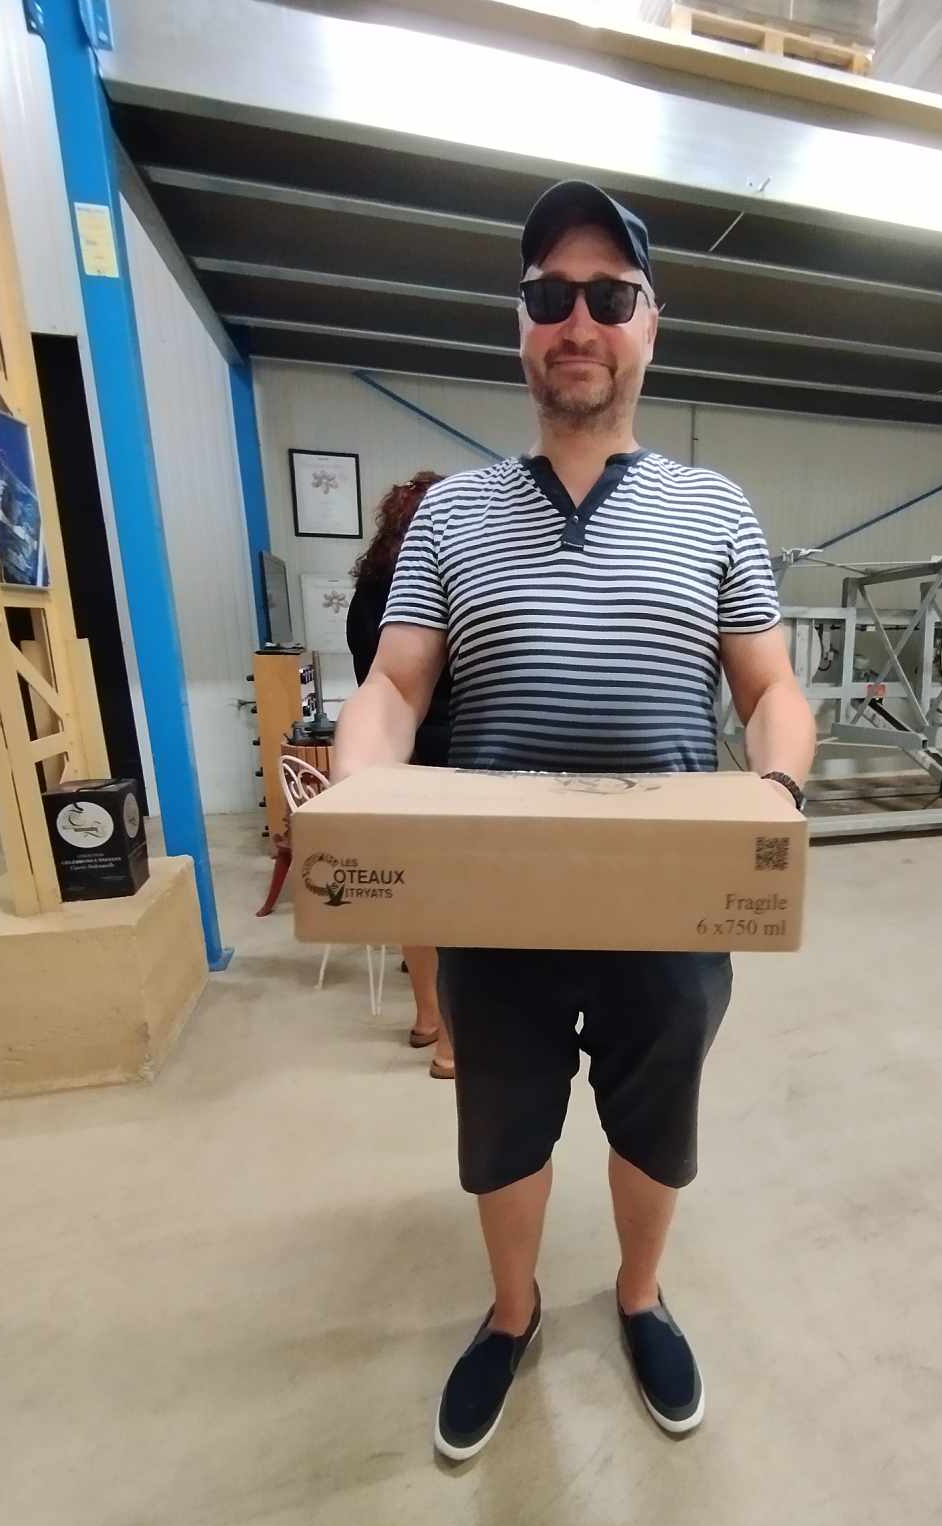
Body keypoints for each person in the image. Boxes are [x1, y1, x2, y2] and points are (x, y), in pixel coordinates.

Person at [334, 180, 816, 1460]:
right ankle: (512, 1315)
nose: (579, 321)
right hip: (496, 904)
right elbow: (395, 684)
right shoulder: (453, 514)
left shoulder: (716, 510)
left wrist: (774, 793)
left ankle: (640, 1299)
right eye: (551, 296)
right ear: (522, 326)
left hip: (671, 904)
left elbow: (770, 690)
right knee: (502, 1134)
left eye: (611, 295)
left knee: (658, 1124)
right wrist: (360, 785)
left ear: (651, 324)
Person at [345, 472, 454, 1079]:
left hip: (395, 752)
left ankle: (427, 1018)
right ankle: (452, 1047)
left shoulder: (369, 590)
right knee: (462, 904)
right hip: (456, 754)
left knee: (419, 896)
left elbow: (372, 676)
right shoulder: (447, 579)